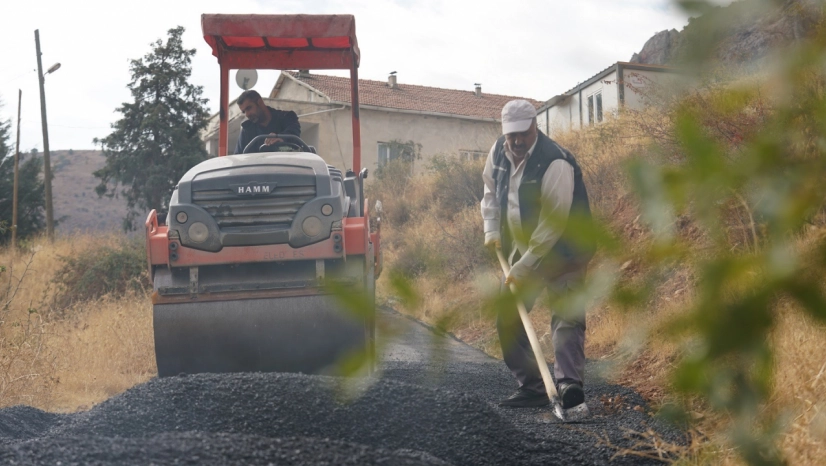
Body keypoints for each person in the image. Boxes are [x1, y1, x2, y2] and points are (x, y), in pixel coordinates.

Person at [481, 99, 594, 409]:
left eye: (523, 134)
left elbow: (552, 226)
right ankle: (533, 384)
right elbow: (490, 193)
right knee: (508, 316)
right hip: (522, 247)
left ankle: (569, 386)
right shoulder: (498, 153)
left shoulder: (555, 161)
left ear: (535, 128)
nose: (517, 141)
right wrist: (492, 230)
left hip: (565, 249)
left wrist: (524, 266)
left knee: (566, 317)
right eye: (511, 135)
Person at [234, 90, 301, 154]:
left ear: (260, 102)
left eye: (249, 108)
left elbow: (294, 133)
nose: (247, 114)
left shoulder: (287, 117)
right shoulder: (247, 130)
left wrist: (281, 138)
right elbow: (238, 157)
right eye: (244, 112)